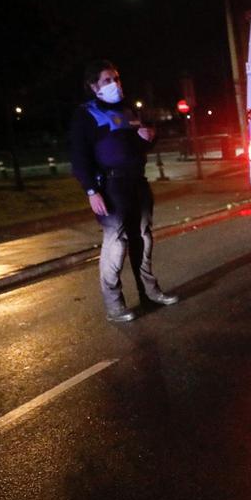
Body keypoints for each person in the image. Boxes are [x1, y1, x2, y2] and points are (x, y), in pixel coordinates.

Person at [70, 60, 178, 322]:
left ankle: (149, 292)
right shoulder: (86, 114)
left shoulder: (127, 110)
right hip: (110, 186)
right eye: (107, 80)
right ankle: (114, 304)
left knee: (143, 237)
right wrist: (91, 191)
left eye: (116, 78)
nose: (115, 84)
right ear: (94, 86)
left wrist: (149, 138)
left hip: (136, 182)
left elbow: (136, 147)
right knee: (116, 244)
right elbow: (79, 157)